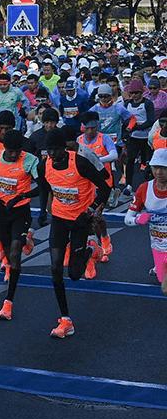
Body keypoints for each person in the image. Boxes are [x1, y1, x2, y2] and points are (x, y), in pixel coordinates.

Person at [40, 128, 110, 338]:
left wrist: (90, 211)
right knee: (55, 267)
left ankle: (91, 250)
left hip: (80, 220)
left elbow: (105, 187)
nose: (52, 154)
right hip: (60, 219)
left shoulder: (79, 162)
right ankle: (65, 320)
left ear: (65, 147)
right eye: (49, 150)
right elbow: (46, 188)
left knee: (75, 275)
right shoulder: (46, 165)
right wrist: (43, 212)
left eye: (56, 150)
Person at [0, 130, 39, 319]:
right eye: (11, 151)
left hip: (20, 211)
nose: (14, 155)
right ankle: (24, 240)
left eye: (17, 151)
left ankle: (8, 302)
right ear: (4, 147)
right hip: (1, 212)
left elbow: (43, 185)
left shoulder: (30, 160)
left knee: (14, 255)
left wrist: (23, 196)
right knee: (1, 240)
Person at [124, 147, 167, 296]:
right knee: (163, 281)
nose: (159, 172)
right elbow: (127, 219)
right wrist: (138, 219)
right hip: (157, 244)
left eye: (163, 168)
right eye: (156, 167)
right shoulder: (144, 189)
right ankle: (159, 267)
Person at [76, 111, 118, 261]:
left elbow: (114, 155)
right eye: (87, 128)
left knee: (96, 216)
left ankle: (103, 240)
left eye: (93, 128)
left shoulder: (104, 138)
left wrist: (96, 160)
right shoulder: (79, 140)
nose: (90, 131)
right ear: (83, 127)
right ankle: (99, 245)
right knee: (91, 217)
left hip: (103, 183)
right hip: (86, 185)